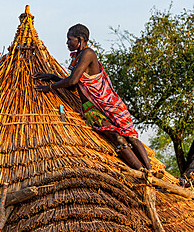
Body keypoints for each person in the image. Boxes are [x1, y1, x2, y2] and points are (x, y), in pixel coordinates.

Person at [33, 23, 152, 171]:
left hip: (108, 103)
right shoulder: (77, 57)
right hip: (92, 109)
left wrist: (50, 87)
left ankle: (150, 171)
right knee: (117, 138)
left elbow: (73, 80)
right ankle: (142, 171)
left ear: (80, 39)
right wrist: (54, 77)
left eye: (70, 39)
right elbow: (72, 86)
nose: (67, 43)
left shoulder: (88, 53)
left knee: (130, 136)